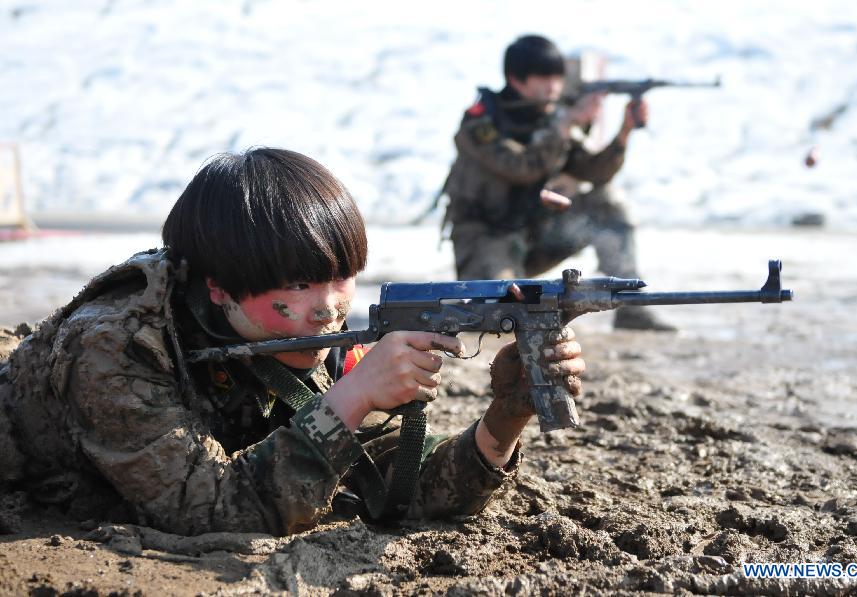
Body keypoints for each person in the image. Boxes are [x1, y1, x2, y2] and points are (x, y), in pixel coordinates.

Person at [0, 148, 585, 536]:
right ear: (220, 289)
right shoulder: (118, 349)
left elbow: (394, 484)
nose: (328, 306)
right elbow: (210, 514)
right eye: (299, 285)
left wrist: (504, 423)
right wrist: (349, 401)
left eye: (339, 277)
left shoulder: (309, 334)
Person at [443, 34, 674, 331]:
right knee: (497, 316)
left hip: (534, 236)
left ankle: (630, 306)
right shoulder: (480, 122)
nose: (553, 86)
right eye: (543, 78)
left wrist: (624, 132)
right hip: (487, 239)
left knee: (606, 203)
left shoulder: (551, 119)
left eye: (557, 78)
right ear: (516, 79)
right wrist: (564, 125)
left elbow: (593, 171)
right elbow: (520, 167)